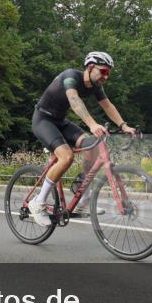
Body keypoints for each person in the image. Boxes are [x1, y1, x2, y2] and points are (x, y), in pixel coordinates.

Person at [28, 52, 137, 226]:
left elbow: (108, 105)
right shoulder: (70, 76)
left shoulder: (96, 86)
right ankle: (38, 202)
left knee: (93, 146)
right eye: (103, 71)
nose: (105, 76)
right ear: (91, 67)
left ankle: (81, 198)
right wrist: (93, 125)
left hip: (60, 121)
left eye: (108, 73)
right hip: (43, 120)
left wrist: (123, 126)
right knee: (67, 157)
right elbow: (74, 100)